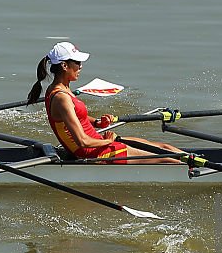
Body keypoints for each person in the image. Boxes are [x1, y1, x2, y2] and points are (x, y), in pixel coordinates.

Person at [27, 41, 183, 164]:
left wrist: (98, 123)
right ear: (64, 65)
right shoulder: (62, 98)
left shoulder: (59, 90)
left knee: (164, 147)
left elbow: (72, 118)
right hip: (93, 152)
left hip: (98, 142)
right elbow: (83, 142)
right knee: (166, 158)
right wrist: (108, 141)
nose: (81, 66)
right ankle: (192, 169)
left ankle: (192, 159)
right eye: (77, 63)